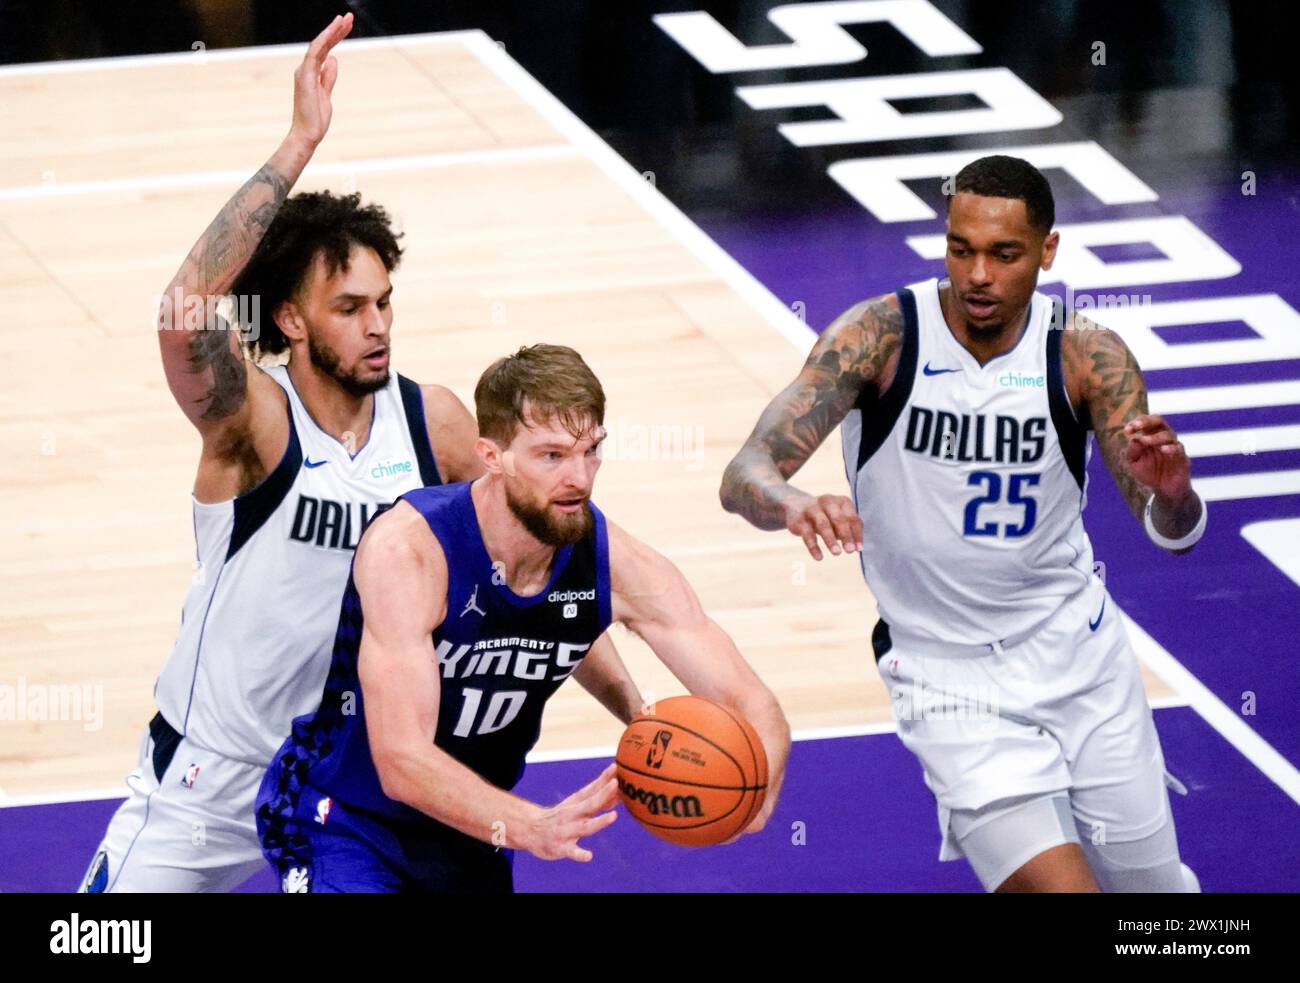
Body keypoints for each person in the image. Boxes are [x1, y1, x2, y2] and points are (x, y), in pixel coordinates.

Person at [81, 15, 639, 893]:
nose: (377, 323)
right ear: (292, 321)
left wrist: (635, 710)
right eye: (349, 307)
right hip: (208, 785)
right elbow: (184, 307)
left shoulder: (437, 425)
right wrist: (299, 143)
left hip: (353, 788)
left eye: (384, 301)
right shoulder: (255, 424)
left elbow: (544, 572)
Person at [720, 155, 1206, 894]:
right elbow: (745, 470)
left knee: (1159, 902)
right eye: (960, 248)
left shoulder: (1085, 354)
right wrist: (790, 501)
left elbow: (1170, 528)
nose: (977, 273)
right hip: (948, 682)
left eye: (1003, 254)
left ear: (1047, 251)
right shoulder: (880, 337)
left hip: (1082, 663)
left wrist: (1174, 493)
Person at [256, 344, 790, 892]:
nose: (579, 478)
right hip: (345, 818)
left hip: (470, 830)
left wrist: (749, 791)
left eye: (591, 451)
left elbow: (751, 702)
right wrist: (534, 824)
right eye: (551, 456)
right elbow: (401, 761)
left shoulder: (613, 562)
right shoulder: (410, 551)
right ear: (491, 455)